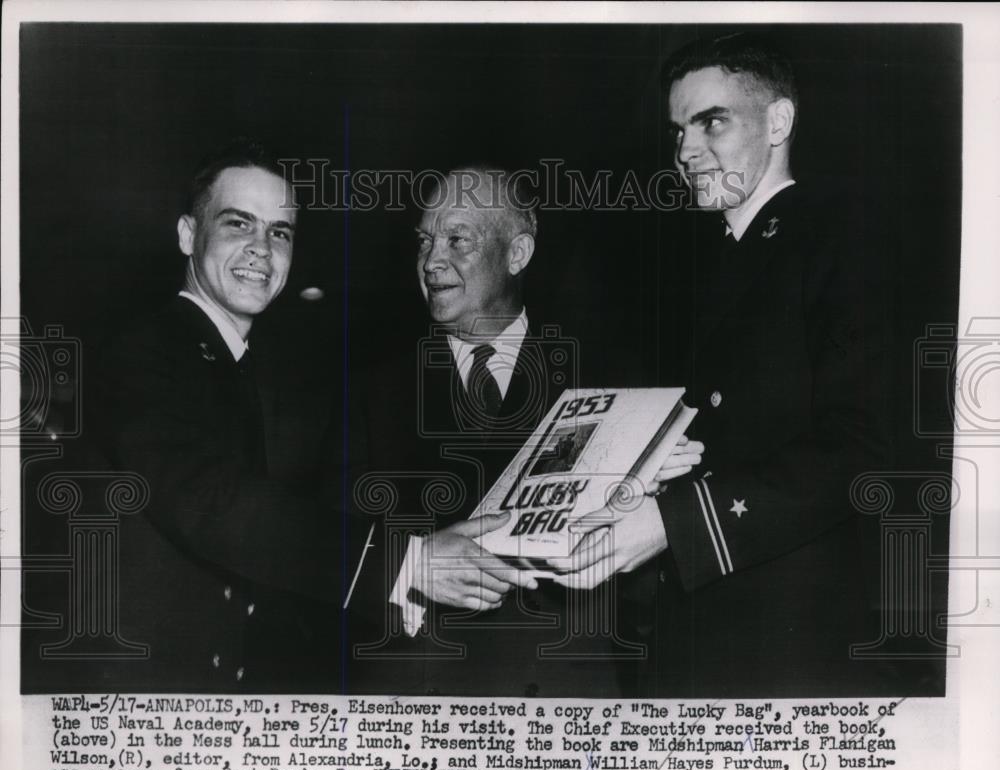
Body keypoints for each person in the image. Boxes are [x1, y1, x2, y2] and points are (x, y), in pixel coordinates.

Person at [90, 139, 498, 692]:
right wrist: (407, 562)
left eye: (279, 232)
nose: (261, 249)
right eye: (238, 224)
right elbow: (212, 501)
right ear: (188, 234)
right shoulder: (142, 352)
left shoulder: (246, 366)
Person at [552, 33, 891, 696]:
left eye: (712, 122)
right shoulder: (707, 261)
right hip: (696, 624)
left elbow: (864, 446)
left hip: (790, 641)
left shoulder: (844, 240)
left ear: (778, 122)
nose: (685, 151)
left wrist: (674, 524)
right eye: (679, 129)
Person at [351, 166, 701, 696]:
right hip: (422, 700)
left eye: (457, 239)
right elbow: (334, 554)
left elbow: (654, 586)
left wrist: (649, 502)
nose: (431, 261)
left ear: (517, 253)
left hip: (570, 703)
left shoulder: (612, 378)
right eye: (424, 241)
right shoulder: (369, 392)